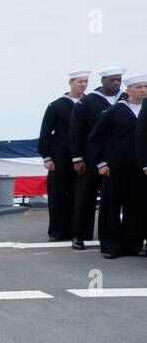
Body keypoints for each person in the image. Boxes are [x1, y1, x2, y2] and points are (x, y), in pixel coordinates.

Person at [87, 73, 147, 259]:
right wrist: (102, 163)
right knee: (111, 207)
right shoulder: (114, 111)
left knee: (137, 208)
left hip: (140, 168)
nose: (143, 91)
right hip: (116, 168)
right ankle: (110, 246)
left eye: (146, 87)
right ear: (128, 90)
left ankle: (133, 244)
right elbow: (95, 139)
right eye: (139, 87)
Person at [69, 67, 126, 250]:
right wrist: (77, 158)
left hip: (117, 158)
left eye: (118, 80)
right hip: (91, 156)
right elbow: (76, 131)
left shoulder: (125, 99)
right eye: (112, 80)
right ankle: (79, 235)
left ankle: (113, 236)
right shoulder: (88, 102)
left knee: (114, 200)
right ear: (102, 81)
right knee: (85, 197)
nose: (116, 83)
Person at [39, 70, 89, 243]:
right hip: (60, 156)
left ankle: (79, 231)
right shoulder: (57, 105)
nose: (83, 84)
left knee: (80, 195)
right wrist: (46, 157)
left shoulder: (90, 103)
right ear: (71, 83)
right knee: (58, 194)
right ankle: (58, 231)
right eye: (79, 81)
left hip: (83, 156)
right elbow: (45, 132)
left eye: (85, 81)